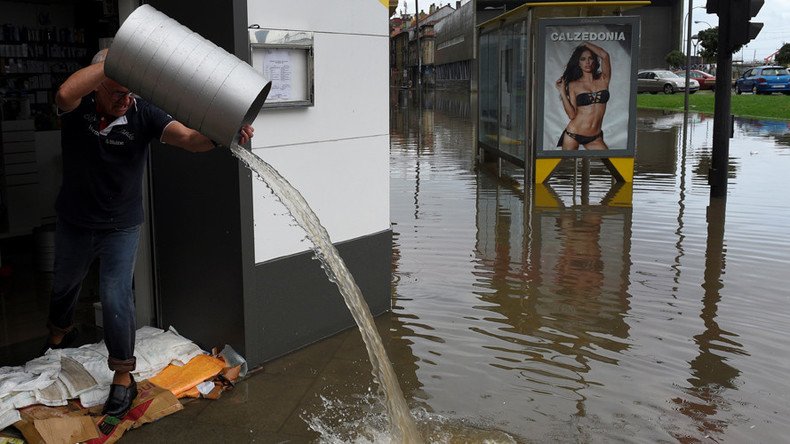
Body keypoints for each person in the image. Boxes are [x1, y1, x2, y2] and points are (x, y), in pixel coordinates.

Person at [41, 49, 254, 418]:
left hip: (121, 224)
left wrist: (224, 134)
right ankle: (59, 331)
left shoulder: (143, 112)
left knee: (115, 293)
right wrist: (118, 62)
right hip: (75, 220)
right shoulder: (79, 109)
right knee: (65, 285)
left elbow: (189, 139)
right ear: (99, 86)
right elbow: (63, 95)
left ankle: (123, 375)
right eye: (118, 92)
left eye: (131, 92)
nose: (126, 100)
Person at [555, 42, 611, 150]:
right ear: (578, 63)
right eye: (583, 59)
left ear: (595, 60)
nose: (587, 62)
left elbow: (605, 55)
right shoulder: (574, 85)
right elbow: (572, 115)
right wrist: (562, 91)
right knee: (566, 166)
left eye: (590, 58)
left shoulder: (604, 79)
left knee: (612, 162)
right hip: (573, 134)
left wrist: (585, 43)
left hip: (595, 137)